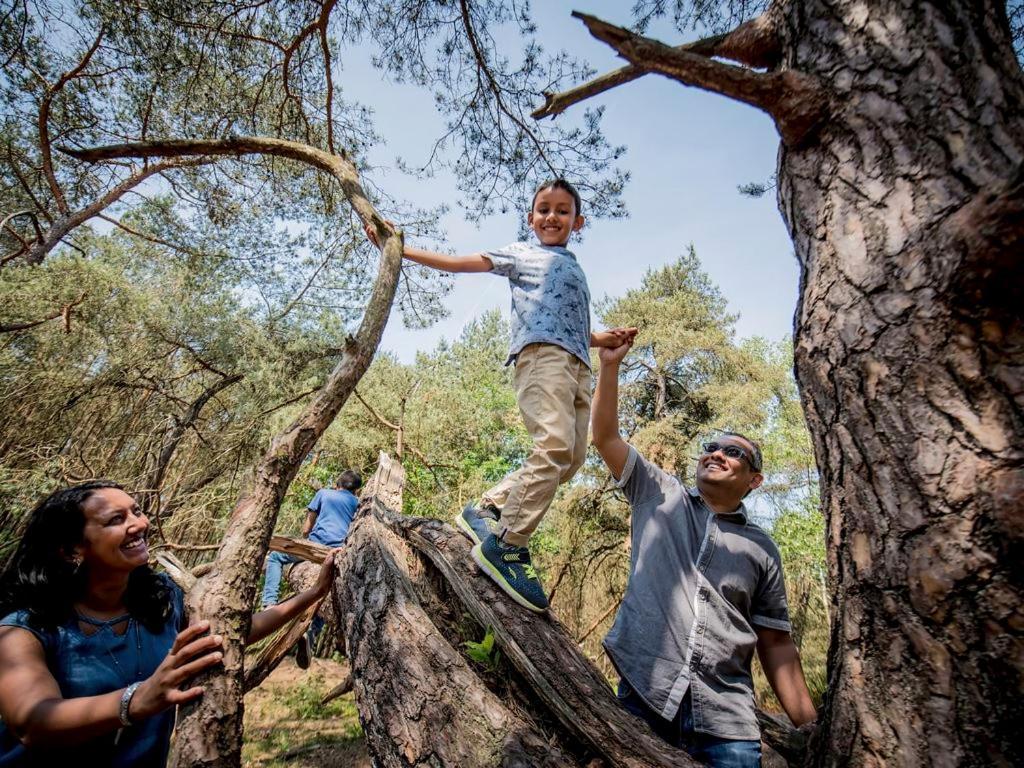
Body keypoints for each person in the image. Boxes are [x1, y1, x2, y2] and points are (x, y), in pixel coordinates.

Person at [366, 179, 636, 613]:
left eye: (562, 211)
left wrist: (604, 338)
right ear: (531, 219)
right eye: (543, 209)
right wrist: (399, 247)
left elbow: (571, 328)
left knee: (571, 458)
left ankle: (487, 508)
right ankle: (507, 545)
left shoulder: (575, 269)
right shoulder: (521, 253)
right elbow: (457, 263)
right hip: (542, 359)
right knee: (552, 445)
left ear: (578, 221)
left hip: (578, 365)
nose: (552, 217)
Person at [591, 338, 817, 767]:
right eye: (711, 448)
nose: (717, 453)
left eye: (734, 452)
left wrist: (811, 728)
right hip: (644, 697)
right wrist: (610, 367)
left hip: (727, 725)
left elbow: (776, 642)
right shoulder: (659, 494)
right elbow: (605, 436)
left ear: (755, 480)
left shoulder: (762, 549)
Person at [0, 481, 337, 766]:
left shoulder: (161, 599)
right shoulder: (23, 629)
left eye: (136, 510)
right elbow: (32, 722)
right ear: (72, 549)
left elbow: (232, 634)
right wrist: (137, 700)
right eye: (116, 519)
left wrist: (313, 593)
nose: (139, 524)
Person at [260, 469, 361, 665]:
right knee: (325, 591)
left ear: (337, 484)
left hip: (316, 547)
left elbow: (307, 526)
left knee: (275, 558)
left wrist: (304, 541)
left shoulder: (323, 493)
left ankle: (270, 602)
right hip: (337, 553)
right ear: (356, 490)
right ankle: (311, 635)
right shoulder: (357, 503)